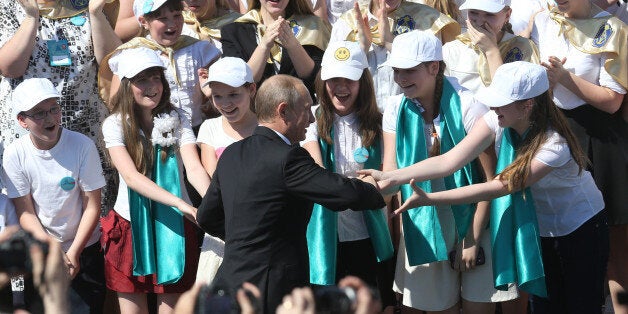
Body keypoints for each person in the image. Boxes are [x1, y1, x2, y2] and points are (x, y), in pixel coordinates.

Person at [364, 61, 608, 313]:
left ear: (527, 106)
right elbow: (449, 160)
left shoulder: (554, 145)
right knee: (546, 307)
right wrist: (392, 177)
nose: (492, 106)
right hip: (540, 229)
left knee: (581, 305)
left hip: (580, 229)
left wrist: (430, 198)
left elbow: (498, 187)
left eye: (501, 101)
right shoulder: (495, 118)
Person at [196, 74, 386, 314]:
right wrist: (379, 186)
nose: (310, 118)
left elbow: (206, 217)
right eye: (306, 109)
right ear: (283, 111)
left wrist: (248, 237)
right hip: (272, 292)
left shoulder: (232, 153)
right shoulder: (288, 157)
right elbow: (341, 193)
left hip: (229, 284)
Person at [377, 30, 517, 313]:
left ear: (434, 67)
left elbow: (491, 181)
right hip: (423, 220)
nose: (401, 78)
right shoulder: (393, 108)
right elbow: (390, 174)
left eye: (409, 70)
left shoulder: (468, 106)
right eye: (396, 71)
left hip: (477, 217)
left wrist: (472, 237)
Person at [530, 0, 627, 312]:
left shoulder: (613, 28)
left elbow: (613, 101)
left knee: (613, 248)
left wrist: (564, 77)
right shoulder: (542, 21)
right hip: (555, 133)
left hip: (600, 138)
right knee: (565, 238)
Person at [100, 47, 210, 314]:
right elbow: (131, 177)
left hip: (173, 227)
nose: (151, 87)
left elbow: (193, 169)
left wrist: (214, 203)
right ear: (127, 86)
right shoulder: (114, 124)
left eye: (155, 78)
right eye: (142, 80)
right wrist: (181, 204)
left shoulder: (179, 117)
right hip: (130, 225)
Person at [0, 0, 121, 209]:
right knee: (32, 216)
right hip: (31, 135)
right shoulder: (10, 5)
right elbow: (10, 67)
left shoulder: (86, 3)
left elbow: (113, 62)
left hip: (85, 130)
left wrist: (96, 13)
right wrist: (31, 17)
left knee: (91, 217)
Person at [301, 40, 394, 307]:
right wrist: (361, 184)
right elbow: (317, 177)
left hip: (368, 232)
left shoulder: (379, 121)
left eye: (349, 79)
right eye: (334, 79)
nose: (341, 87)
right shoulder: (310, 119)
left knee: (371, 303)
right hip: (324, 236)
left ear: (363, 82)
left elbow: (387, 180)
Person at [1, 78, 106, 313]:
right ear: (22, 121)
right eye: (38, 113)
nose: (49, 118)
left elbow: (92, 205)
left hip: (84, 248)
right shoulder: (15, 154)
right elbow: (25, 210)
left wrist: (74, 253)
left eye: (53, 109)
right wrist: (52, 249)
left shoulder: (82, 145)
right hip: (42, 250)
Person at [99, 0, 221, 133]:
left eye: (177, 15)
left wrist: (210, 96)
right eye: (162, 19)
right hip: (153, 134)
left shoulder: (201, 49)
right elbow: (116, 103)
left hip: (198, 130)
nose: (172, 24)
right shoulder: (132, 54)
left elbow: (219, 93)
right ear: (144, 22)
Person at [330, 0, 460, 112]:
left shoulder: (427, 20)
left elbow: (435, 77)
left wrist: (391, 45)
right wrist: (362, 50)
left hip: (411, 119)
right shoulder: (349, 22)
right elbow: (333, 79)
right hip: (362, 120)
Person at [195, 57, 258, 284]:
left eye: (233, 95)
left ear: (251, 89)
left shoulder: (266, 127)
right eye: (217, 96)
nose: (225, 103)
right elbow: (215, 180)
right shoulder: (209, 128)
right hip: (222, 228)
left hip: (261, 227)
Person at [220, 0, 331, 98]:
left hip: (299, 110)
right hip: (254, 113)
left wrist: (293, 45)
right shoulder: (233, 31)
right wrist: (264, 46)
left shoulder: (312, 26)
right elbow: (238, 82)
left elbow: (317, 80)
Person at [443, 0, 539, 94]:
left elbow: (511, 96)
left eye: (489, 14)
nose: (480, 22)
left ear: (507, 15)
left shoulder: (523, 47)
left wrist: (491, 50)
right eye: (473, 12)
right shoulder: (452, 50)